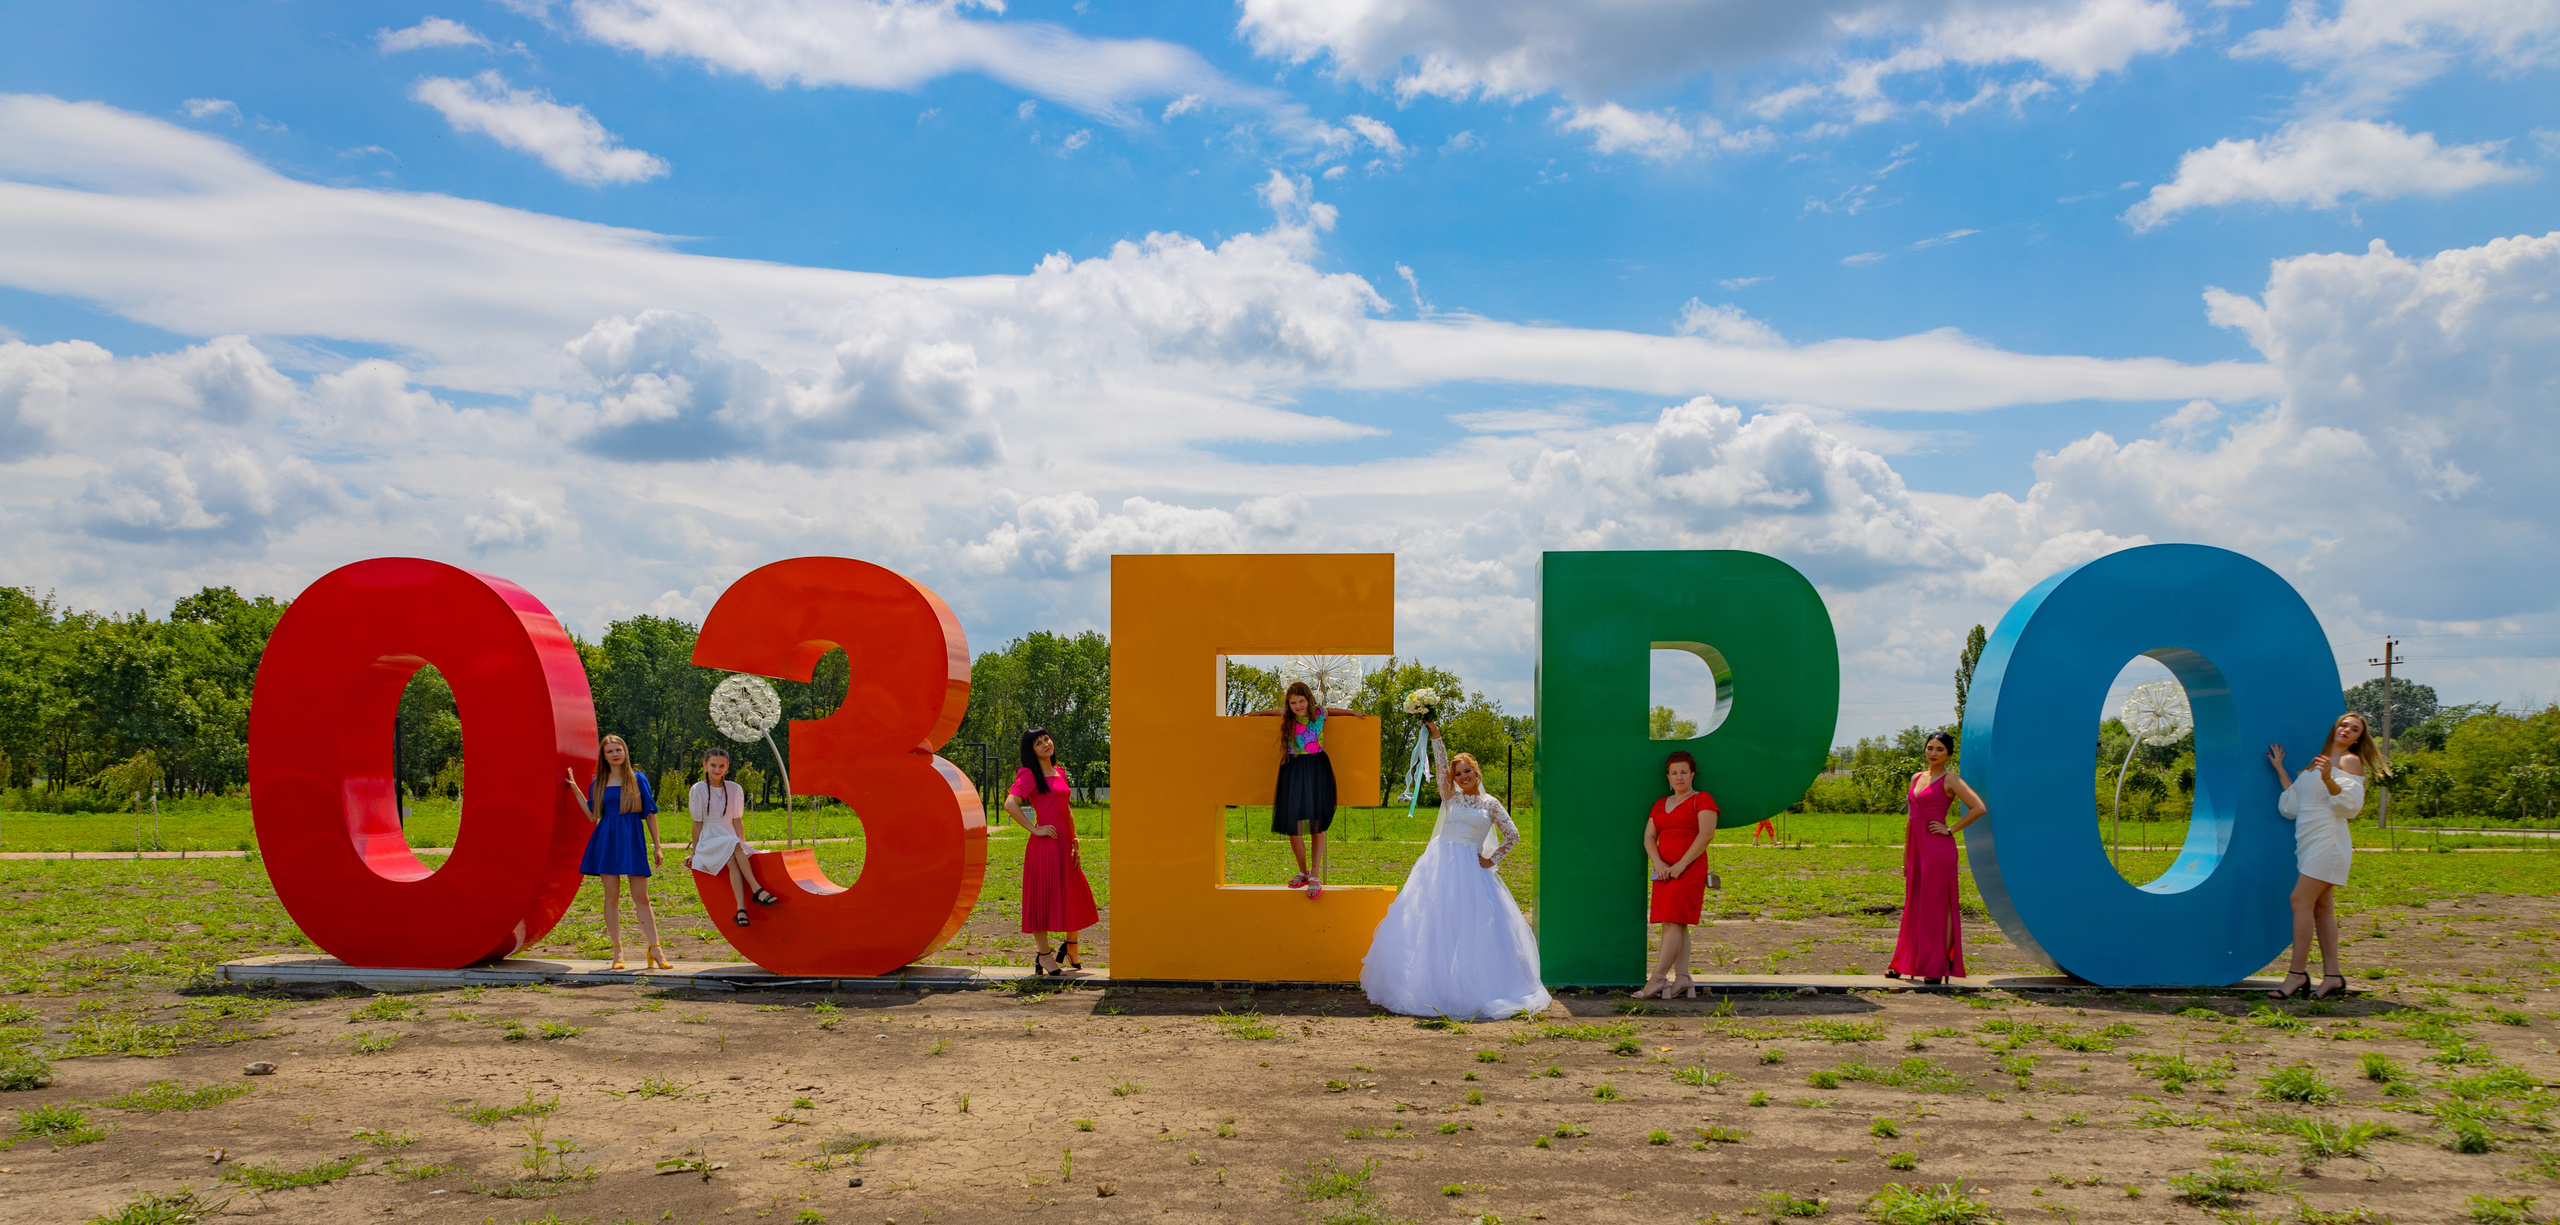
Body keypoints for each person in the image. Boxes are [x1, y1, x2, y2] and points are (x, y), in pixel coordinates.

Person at [1359, 720, 1550, 1020]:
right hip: (1439, 865)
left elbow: (1513, 835)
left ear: (1477, 772)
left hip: (1471, 871)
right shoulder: (1450, 798)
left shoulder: (1491, 805)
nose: (1462, 777)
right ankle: (1431, 983)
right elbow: (1440, 763)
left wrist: (1491, 858)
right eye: (1458, 774)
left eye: (1467, 772)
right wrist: (1436, 736)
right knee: (1433, 922)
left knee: (1469, 925)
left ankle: (1471, 986)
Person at [2267, 712, 2386, 1001]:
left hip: (2328, 840)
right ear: (2335, 727)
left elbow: (2349, 806)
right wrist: (2280, 769)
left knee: (2299, 900)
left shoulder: (2349, 762)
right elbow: (2294, 803)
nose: (2347, 730)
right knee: (2322, 908)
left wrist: (2329, 778)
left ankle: (2297, 974)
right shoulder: (2317, 761)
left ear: (2359, 738)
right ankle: (2333, 976)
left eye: (2354, 729)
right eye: (2344, 724)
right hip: (2307, 839)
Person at [1886, 731, 1986, 986]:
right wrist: (1907, 854)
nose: (1933, 753)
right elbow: (1912, 819)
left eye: (1940, 749)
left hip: (1938, 849)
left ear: (1949, 754)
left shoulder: (1951, 779)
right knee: (1914, 905)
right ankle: (1904, 962)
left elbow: (1979, 807)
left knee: (1937, 907)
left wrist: (1950, 829)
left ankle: (1937, 964)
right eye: (1930, 747)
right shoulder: (1916, 777)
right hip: (1917, 849)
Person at [561, 735, 668, 971]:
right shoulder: (598, 781)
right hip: (606, 840)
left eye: (618, 749)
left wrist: (658, 846)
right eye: (610, 751)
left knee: (642, 897)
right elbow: (592, 815)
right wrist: (577, 789)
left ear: (625, 751)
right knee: (612, 896)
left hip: (632, 839)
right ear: (604, 756)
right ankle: (617, 952)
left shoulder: (638, 779)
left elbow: (650, 814)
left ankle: (655, 948)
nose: (615, 754)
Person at [1006, 727, 1101, 976]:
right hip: (1044, 846)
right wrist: (1034, 830)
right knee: (1042, 898)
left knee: (1074, 894)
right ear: (1032, 751)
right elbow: (1010, 804)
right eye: (1038, 743)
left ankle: (1071, 946)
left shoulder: (1059, 772)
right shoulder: (1029, 774)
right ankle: (1044, 955)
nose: (1046, 744)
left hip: (1065, 844)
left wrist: (1075, 837)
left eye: (1046, 739)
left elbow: (1066, 809)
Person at [1253, 682, 1359, 899]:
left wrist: (1354, 713)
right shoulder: (1287, 716)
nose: (1298, 706)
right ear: (1288, 703)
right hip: (1293, 768)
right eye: (1293, 703)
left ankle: (1315, 874)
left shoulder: (1319, 713)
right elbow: (1274, 711)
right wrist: (1258, 713)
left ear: (1308, 700)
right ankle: (1302, 870)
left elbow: (1336, 711)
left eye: (1301, 701)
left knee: (1317, 823)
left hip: (1317, 768)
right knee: (1294, 822)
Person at [1637, 750, 1718, 999]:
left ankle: (1657, 980)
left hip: (1688, 869)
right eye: (1674, 773)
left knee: (1672, 923)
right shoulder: (1660, 803)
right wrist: (1658, 863)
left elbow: (1706, 834)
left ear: (1692, 775)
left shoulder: (1702, 799)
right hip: (1663, 871)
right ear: (1668, 777)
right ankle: (1682, 979)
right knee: (1675, 924)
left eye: (1684, 772)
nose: (1679, 777)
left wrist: (1681, 865)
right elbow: (1649, 837)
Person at [687, 747, 780, 929]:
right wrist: (694, 852)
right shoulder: (698, 789)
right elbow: (697, 823)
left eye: (721, 766)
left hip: (729, 838)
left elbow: (737, 821)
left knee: (732, 858)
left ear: (727, 767)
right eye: (713, 765)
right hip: (709, 839)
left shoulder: (735, 788)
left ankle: (740, 910)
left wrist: (743, 846)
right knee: (733, 843)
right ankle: (756, 889)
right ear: (705, 765)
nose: (717, 770)